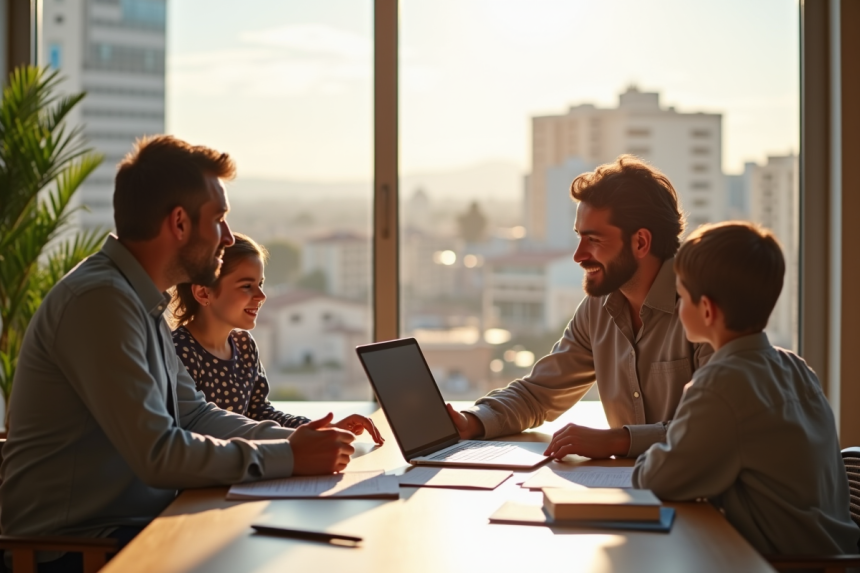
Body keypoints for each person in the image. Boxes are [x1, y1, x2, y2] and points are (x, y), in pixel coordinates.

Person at [0, 136, 356, 571]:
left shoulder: (139, 301)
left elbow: (195, 415)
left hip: (132, 526)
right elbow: (159, 456)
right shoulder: (100, 301)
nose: (227, 238)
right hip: (78, 549)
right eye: (220, 220)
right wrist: (291, 457)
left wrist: (299, 442)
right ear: (180, 223)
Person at [447, 155, 713, 459]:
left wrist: (615, 442)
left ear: (640, 242)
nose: (578, 255)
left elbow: (711, 427)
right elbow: (539, 394)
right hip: (629, 489)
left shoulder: (706, 308)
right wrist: (470, 421)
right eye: (579, 237)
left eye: (593, 239)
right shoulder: (598, 308)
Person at [633, 222, 859, 555]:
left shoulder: (718, 386)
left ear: (707, 310)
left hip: (784, 565)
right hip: (834, 555)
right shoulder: (795, 367)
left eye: (681, 296)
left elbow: (655, 480)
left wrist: (644, 460)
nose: (678, 307)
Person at [169, 232, 383, 443]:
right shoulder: (177, 353)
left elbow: (261, 414)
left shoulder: (244, 345)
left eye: (260, 284)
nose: (262, 296)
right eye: (246, 286)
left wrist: (324, 429)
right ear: (204, 293)